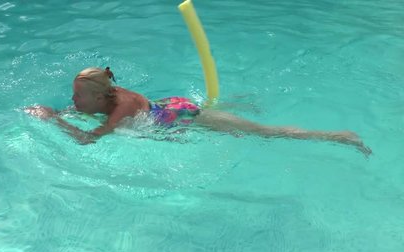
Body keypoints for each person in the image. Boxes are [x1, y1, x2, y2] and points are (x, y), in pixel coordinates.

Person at [25, 67, 371, 155]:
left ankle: (338, 136)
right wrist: (63, 111)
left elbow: (89, 141)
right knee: (226, 118)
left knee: (263, 132)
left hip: (180, 116)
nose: (73, 100)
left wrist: (53, 119)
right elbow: (83, 112)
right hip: (169, 105)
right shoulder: (105, 94)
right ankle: (233, 107)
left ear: (99, 97)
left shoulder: (120, 108)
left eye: (78, 96)